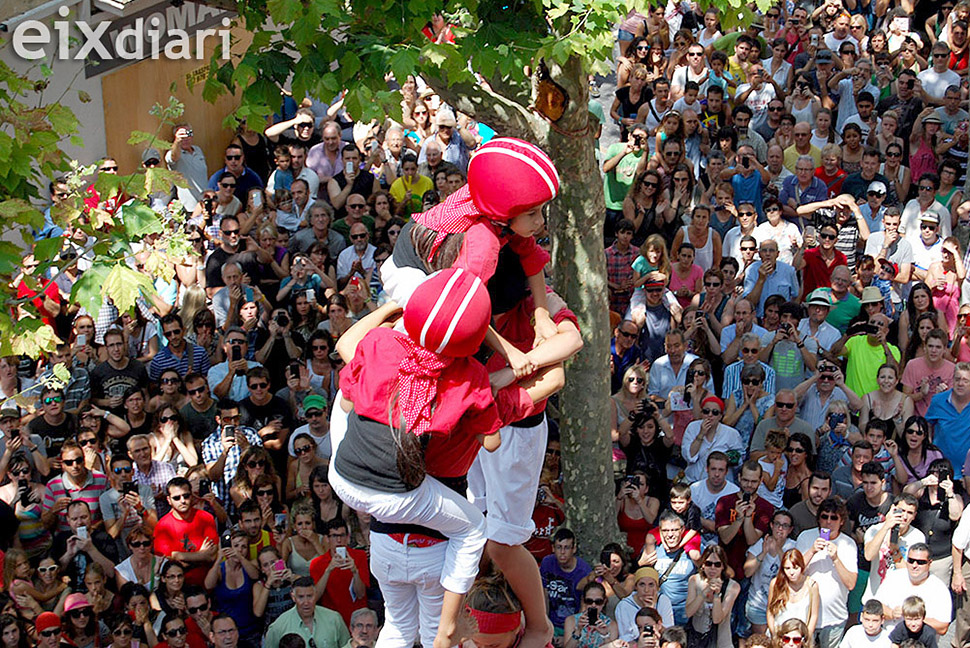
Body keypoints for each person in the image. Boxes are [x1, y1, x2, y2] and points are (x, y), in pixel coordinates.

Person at [795, 498, 859, 648]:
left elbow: (851, 584)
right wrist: (811, 551)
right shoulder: (805, 537)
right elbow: (793, 573)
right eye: (824, 516)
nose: (828, 522)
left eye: (834, 518)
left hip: (834, 618)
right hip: (805, 615)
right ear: (819, 518)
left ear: (841, 521)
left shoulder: (848, 543)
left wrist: (836, 559)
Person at [153, 477, 218, 587]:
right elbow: (168, 563)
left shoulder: (206, 518)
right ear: (169, 500)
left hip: (208, 583)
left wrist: (179, 556)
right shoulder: (162, 526)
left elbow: (212, 556)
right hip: (178, 587)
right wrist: (202, 555)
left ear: (191, 495)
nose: (182, 501)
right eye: (176, 498)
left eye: (186, 496)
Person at [875, 543, 951, 634]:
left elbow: (942, 628)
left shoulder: (939, 589)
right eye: (911, 560)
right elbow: (875, 606)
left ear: (929, 563)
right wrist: (891, 613)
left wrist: (914, 618)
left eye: (920, 562)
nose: (914, 565)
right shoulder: (894, 577)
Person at [745, 510, 800, 635]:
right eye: (777, 524)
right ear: (771, 525)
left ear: (790, 530)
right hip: (758, 604)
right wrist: (763, 553)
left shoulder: (793, 547)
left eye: (785, 526)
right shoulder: (760, 543)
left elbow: (794, 576)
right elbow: (747, 571)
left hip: (783, 605)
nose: (780, 528)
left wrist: (779, 549)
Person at [309, 519, 369, 627]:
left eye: (342, 535)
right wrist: (328, 570)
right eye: (334, 536)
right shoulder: (317, 563)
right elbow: (315, 597)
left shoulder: (360, 556)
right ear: (327, 539)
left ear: (347, 537)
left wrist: (355, 571)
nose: (339, 540)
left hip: (357, 618)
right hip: (332, 620)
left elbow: (360, 594)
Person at [685, 545, 740, 648]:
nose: (713, 568)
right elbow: (689, 612)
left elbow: (717, 619)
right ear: (703, 565)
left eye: (717, 564)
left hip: (721, 642)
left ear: (723, 566)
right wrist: (703, 593)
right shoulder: (694, 580)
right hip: (697, 641)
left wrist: (717, 596)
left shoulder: (733, 587)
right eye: (709, 564)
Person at [540, 528, 593, 637]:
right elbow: (544, 595)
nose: (562, 552)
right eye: (559, 547)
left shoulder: (583, 571)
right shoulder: (547, 563)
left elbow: (583, 605)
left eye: (567, 548)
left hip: (572, 624)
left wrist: (569, 634)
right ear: (553, 548)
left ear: (574, 549)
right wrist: (545, 625)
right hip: (551, 622)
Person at [926, 363, 970, 479]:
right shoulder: (938, 401)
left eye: (966, 380)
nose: (961, 384)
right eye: (957, 379)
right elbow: (928, 426)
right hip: (941, 469)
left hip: (967, 473)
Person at [562, 582, 619, 648]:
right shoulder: (571, 620)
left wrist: (605, 635)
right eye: (589, 601)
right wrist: (578, 631)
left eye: (598, 602)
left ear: (604, 602)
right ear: (584, 601)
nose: (593, 605)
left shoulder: (611, 625)